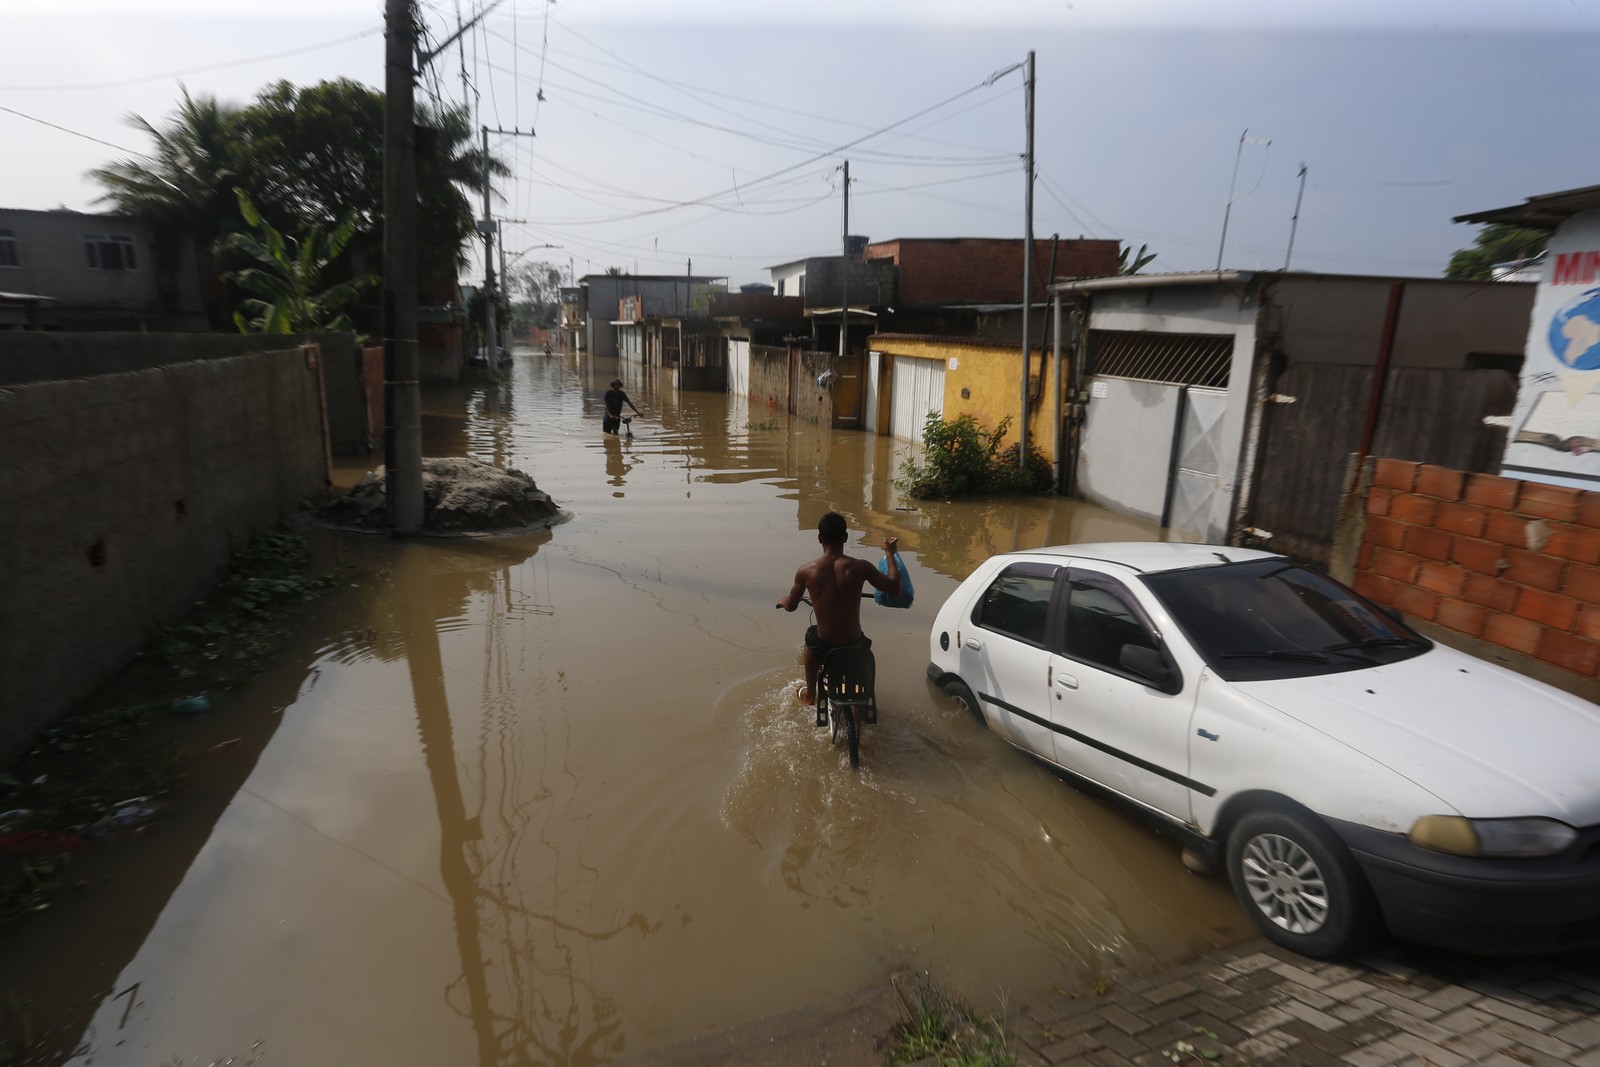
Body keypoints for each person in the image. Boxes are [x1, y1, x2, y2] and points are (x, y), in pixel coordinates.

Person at [776, 511, 902, 706]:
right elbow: (894, 588)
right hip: (854, 643)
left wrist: (784, 601)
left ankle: (810, 694)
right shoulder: (861, 567)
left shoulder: (806, 571)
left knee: (811, 637)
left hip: (825, 646)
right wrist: (890, 554)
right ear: (845, 537)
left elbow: (791, 606)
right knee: (855, 638)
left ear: (819, 538)